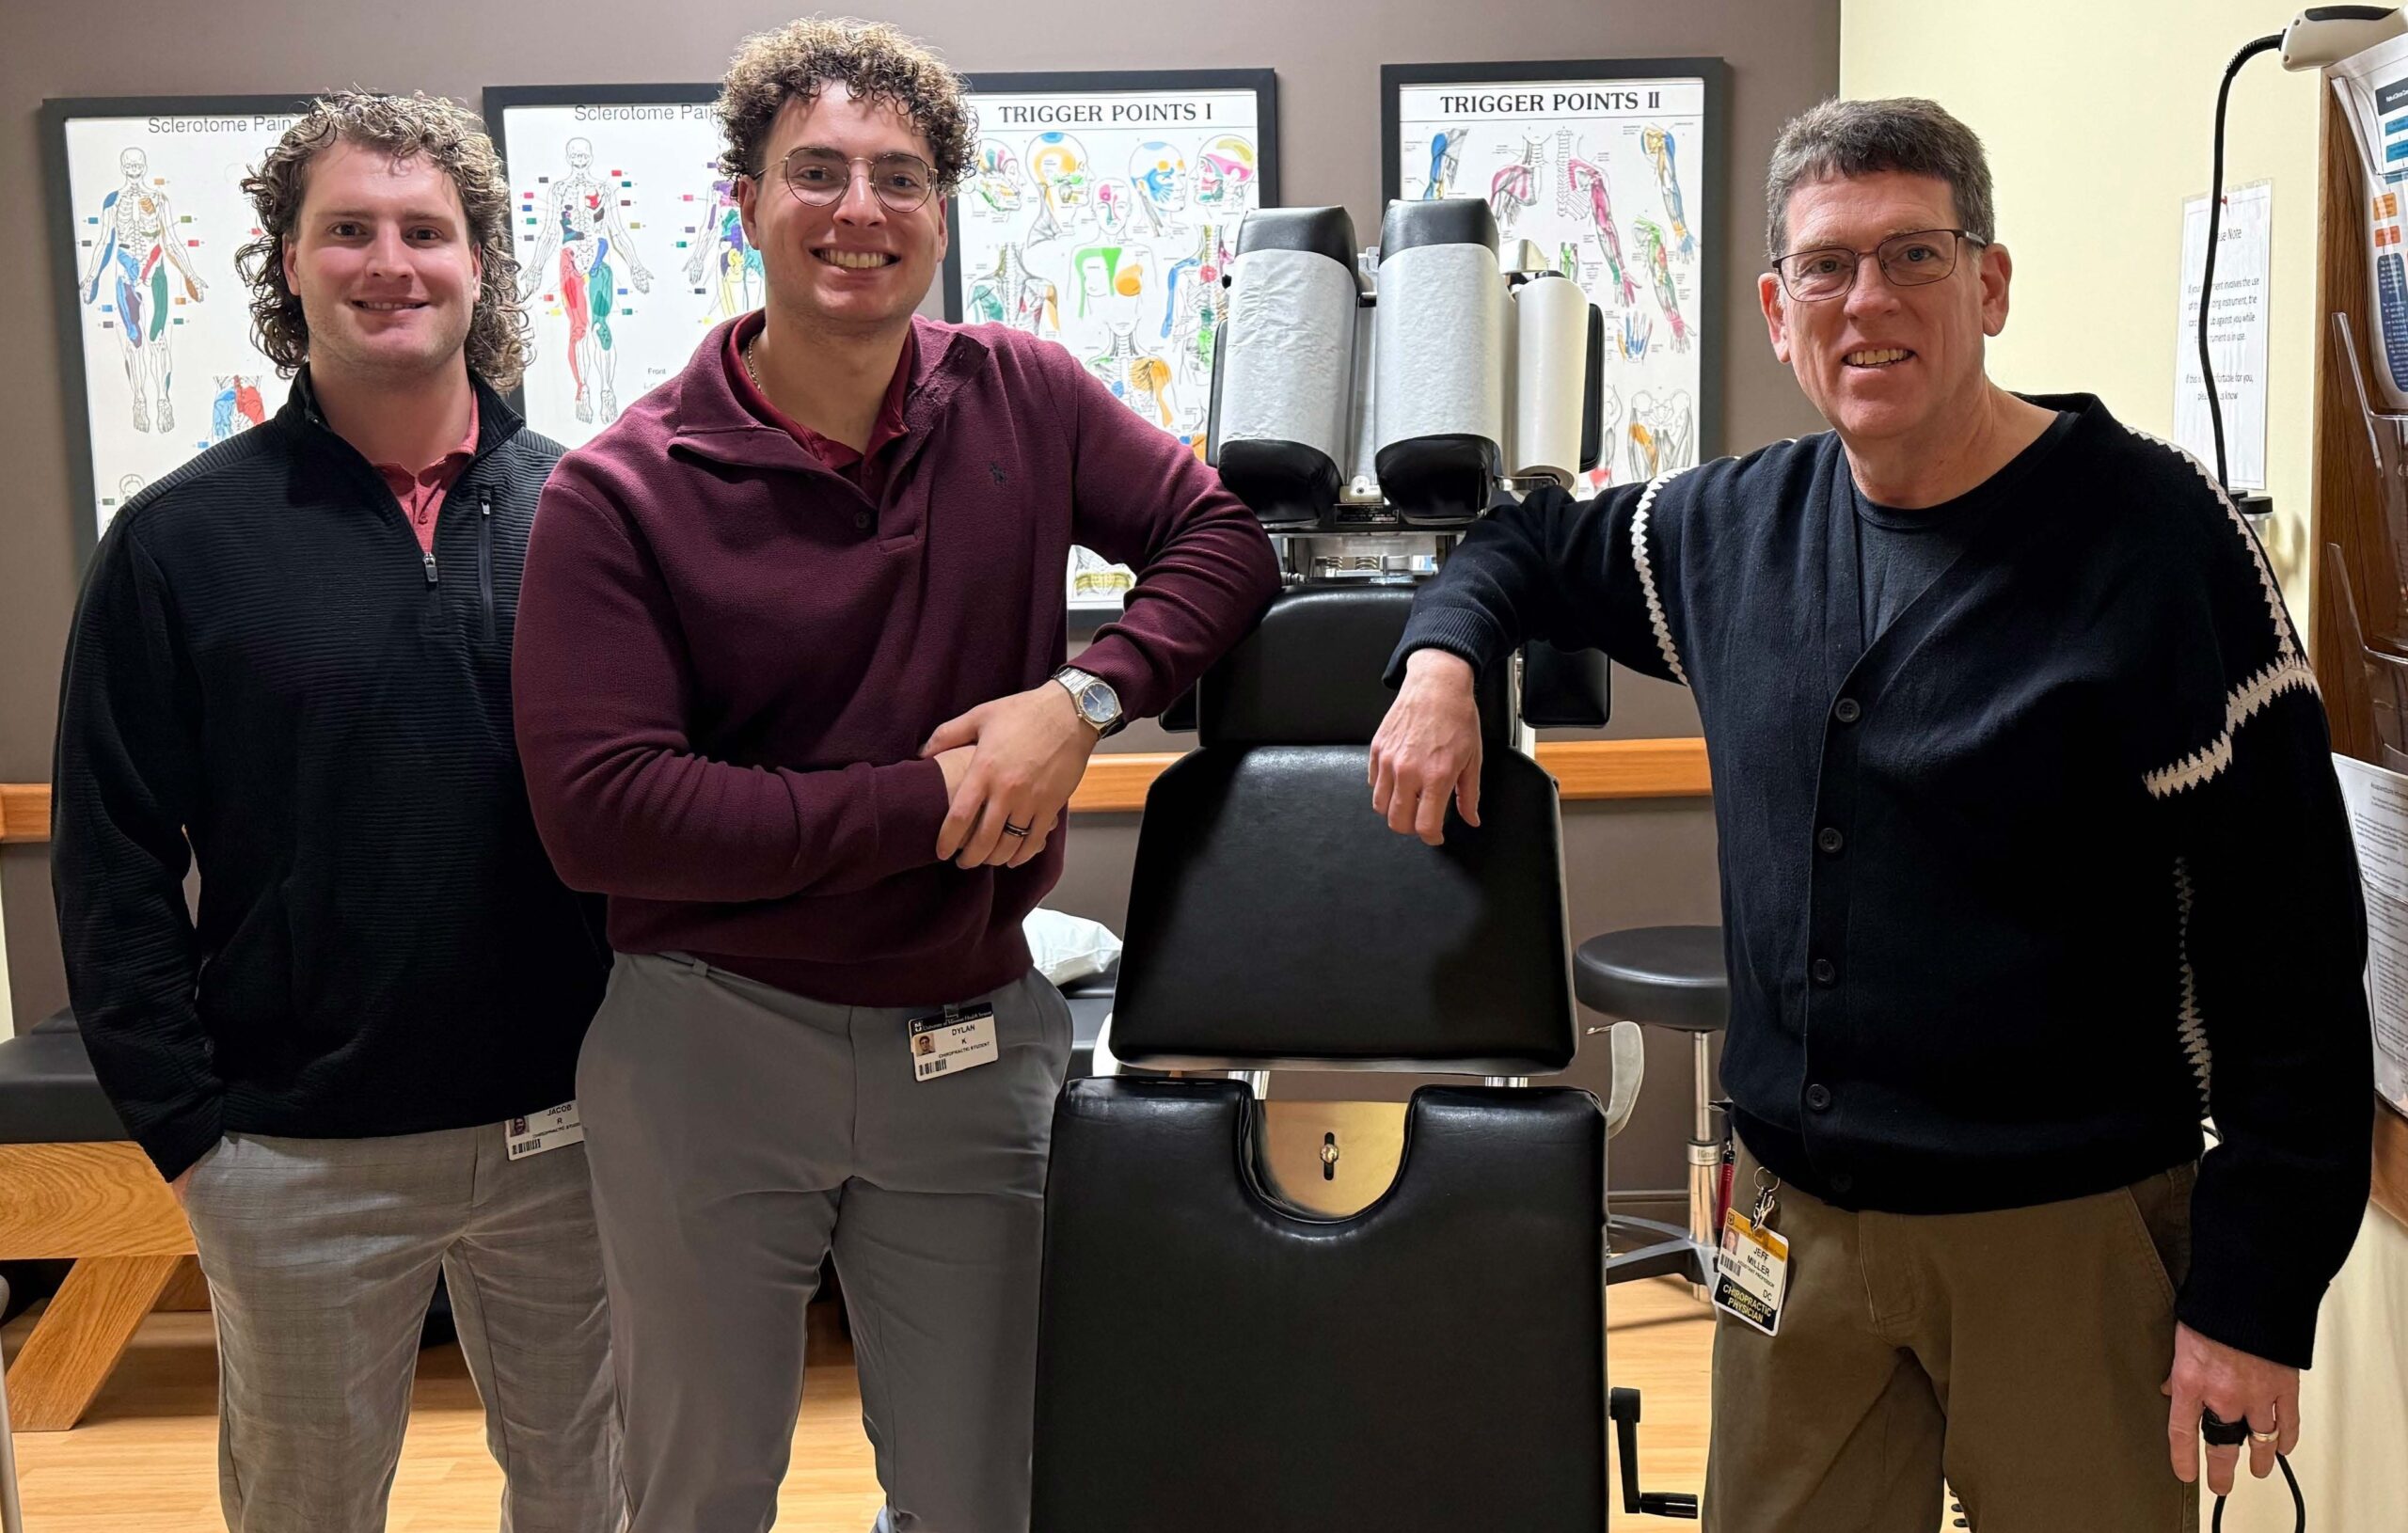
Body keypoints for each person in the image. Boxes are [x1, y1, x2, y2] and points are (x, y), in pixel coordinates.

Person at [1368, 95, 2372, 1531]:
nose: (1869, 303)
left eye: (1914, 254)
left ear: (1992, 282)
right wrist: (1444, 658)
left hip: (2067, 1241)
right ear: (1779, 310)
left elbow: (2294, 955)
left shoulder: (2158, 544)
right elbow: (1523, 545)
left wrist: (2259, 1286)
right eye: (1829, 267)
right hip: (1797, 1240)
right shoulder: (1731, 532)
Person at [509, 19, 1281, 1533]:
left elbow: (1226, 544)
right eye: (817, 172)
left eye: (901, 177)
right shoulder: (620, 488)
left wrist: (1083, 695)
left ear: (941, 211)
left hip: (971, 1037)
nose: (859, 208)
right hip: (704, 1053)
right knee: (697, 1491)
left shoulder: (1025, 395)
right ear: (746, 202)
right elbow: (604, 811)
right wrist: (928, 804)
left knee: (982, 1490)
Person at [51, 91, 618, 1533]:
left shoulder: (595, 516)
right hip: (295, 1157)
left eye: (426, 230)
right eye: (347, 229)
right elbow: (112, 854)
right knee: (305, 1511)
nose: (391, 261)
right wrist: (192, 1135)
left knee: (593, 1501)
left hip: (575, 1136)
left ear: (479, 264)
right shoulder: (179, 542)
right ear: (287, 263)